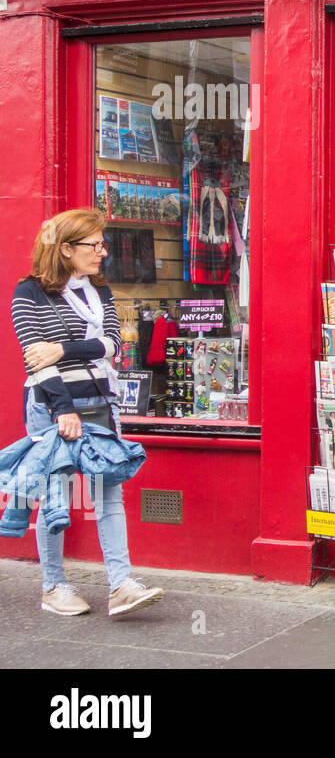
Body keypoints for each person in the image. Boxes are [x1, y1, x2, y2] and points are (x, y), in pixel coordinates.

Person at [10, 208, 163, 617]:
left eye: (102, 244)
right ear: (65, 249)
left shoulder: (101, 292)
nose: (101, 252)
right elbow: (35, 357)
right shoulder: (29, 293)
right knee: (56, 497)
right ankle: (54, 586)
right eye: (93, 245)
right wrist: (62, 408)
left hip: (101, 402)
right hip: (53, 405)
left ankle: (121, 585)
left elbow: (113, 344)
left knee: (109, 493)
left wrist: (64, 349)